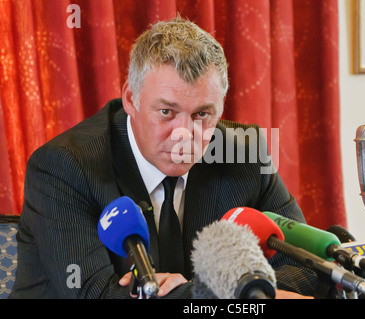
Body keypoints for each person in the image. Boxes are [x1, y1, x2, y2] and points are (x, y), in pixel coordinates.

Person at [9, 17, 317, 299]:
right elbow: (95, 296)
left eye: (202, 114)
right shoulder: (65, 166)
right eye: (166, 112)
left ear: (221, 108)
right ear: (131, 99)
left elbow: (312, 270)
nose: (184, 134)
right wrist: (236, 294)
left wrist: (200, 292)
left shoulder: (244, 154)